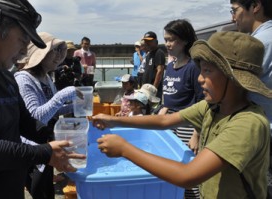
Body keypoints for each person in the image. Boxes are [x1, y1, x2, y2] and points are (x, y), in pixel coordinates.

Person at [93, 31, 272, 199]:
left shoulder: (248, 123)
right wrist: (114, 121)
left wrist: (125, 149)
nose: (200, 78)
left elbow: (188, 175)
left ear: (233, 79)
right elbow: (165, 120)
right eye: (201, 70)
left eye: (208, 71)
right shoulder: (212, 107)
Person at [0, 0, 85, 199]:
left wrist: (61, 139)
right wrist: (45, 153)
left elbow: (24, 121)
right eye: (22, 41)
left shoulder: (5, 75)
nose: (24, 52)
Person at [14, 32, 82, 199]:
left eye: (61, 51)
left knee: (47, 190)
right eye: (54, 51)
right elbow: (35, 118)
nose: (59, 56)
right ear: (39, 54)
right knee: (40, 191)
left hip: (47, 143)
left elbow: (52, 110)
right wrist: (62, 96)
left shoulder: (45, 77)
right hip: (32, 147)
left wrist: (74, 106)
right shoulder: (24, 79)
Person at [230, 0, 272, 194]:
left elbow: (236, 87)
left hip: (263, 131)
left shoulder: (257, 45)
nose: (233, 17)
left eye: (235, 10)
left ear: (255, 6)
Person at [159, 19, 204, 199]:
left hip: (188, 126)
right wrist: (164, 108)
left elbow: (202, 102)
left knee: (189, 176)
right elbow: (169, 97)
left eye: (172, 39)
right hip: (169, 126)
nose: (168, 44)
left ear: (185, 40)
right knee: (171, 171)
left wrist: (197, 134)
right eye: (166, 39)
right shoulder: (169, 67)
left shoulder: (193, 67)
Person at [141, 31, 166, 99]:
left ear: (155, 41)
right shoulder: (149, 54)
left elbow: (160, 71)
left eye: (149, 41)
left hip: (152, 90)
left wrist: (154, 89)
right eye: (146, 41)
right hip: (145, 89)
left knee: (154, 109)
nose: (147, 43)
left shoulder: (159, 53)